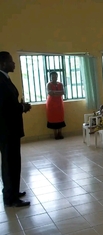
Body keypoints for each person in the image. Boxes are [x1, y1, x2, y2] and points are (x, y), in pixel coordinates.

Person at [0, 51, 31, 207]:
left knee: (14, 161)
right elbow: (6, 106)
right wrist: (22, 107)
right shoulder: (0, 81)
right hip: (6, 130)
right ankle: (10, 198)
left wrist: (19, 106)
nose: (14, 64)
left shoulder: (5, 79)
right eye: (11, 61)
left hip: (10, 129)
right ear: (3, 63)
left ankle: (14, 191)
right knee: (9, 162)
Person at [46, 72, 66, 140]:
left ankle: (60, 133)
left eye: (55, 76)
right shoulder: (49, 84)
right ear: (50, 77)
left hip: (59, 103)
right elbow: (50, 93)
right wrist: (58, 93)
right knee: (53, 118)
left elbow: (63, 92)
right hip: (51, 104)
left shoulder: (60, 84)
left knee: (60, 117)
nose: (54, 78)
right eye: (53, 77)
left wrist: (54, 92)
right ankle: (55, 134)